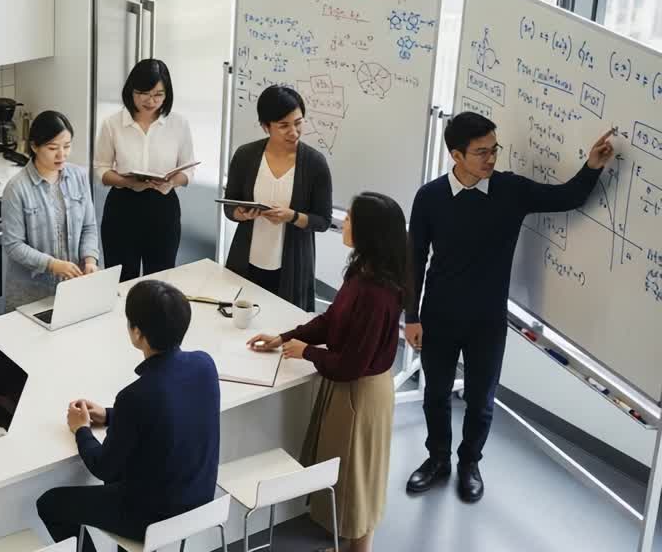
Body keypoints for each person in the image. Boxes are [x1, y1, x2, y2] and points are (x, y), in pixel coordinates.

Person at [403, 113, 614, 503]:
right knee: (436, 394)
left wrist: (592, 166)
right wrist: (411, 317)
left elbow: (566, 197)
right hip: (439, 314)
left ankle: (470, 463)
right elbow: (413, 258)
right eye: (481, 152)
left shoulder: (510, 190)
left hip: (487, 319)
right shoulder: (430, 197)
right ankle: (437, 459)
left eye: (494, 149)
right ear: (456, 155)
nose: (491, 158)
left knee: (481, 400)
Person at [247, 192, 408, 552]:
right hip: (354, 389)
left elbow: (351, 365)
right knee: (353, 476)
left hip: (361, 394)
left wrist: (306, 352)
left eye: (350, 219)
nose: (343, 223)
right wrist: (285, 337)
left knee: (355, 479)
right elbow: (332, 320)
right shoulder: (363, 272)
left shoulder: (376, 293)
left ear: (369, 231)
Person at [35, 280, 219, 544]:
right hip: (200, 501)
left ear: (137, 333)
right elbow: (168, 414)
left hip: (155, 516)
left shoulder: (134, 396)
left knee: (50, 503)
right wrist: (110, 416)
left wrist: (81, 429)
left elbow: (104, 468)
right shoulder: (205, 365)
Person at [222, 85, 333, 311]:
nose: (294, 132)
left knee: (285, 325)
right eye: (283, 126)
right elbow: (229, 206)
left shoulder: (315, 163)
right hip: (247, 261)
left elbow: (323, 221)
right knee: (239, 322)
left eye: (298, 122)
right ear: (266, 126)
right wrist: (240, 214)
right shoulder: (245, 155)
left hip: (292, 267)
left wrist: (291, 216)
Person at [93, 59, 195, 281]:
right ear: (131, 91)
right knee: (120, 280)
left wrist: (171, 182)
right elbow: (101, 169)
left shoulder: (178, 124)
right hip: (122, 207)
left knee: (160, 281)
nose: (151, 101)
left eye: (158, 94)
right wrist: (128, 182)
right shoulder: (112, 124)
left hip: (163, 208)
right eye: (144, 94)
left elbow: (188, 171)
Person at [1, 110, 100, 310]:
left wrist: (90, 259)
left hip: (73, 288)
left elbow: (88, 226)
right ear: (34, 146)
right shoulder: (17, 187)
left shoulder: (79, 176)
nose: (61, 154)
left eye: (67, 146)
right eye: (53, 148)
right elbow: (14, 245)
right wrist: (52, 265)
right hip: (31, 295)